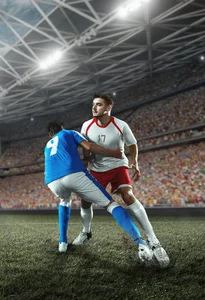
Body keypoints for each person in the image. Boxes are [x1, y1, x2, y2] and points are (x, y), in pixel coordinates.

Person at [74, 94, 169, 267]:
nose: (94, 108)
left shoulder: (120, 125)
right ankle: (86, 232)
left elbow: (132, 145)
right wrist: (86, 162)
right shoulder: (86, 126)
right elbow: (86, 148)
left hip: (118, 165)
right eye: (93, 104)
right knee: (85, 201)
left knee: (127, 195)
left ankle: (154, 241)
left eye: (99, 104)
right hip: (97, 168)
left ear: (109, 107)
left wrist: (134, 162)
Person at [44, 121, 153, 262]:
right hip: (73, 174)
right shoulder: (69, 133)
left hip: (51, 180)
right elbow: (88, 146)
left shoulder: (47, 145)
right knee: (110, 204)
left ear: (50, 135)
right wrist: (112, 153)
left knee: (64, 201)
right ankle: (141, 242)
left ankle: (63, 243)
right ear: (62, 128)